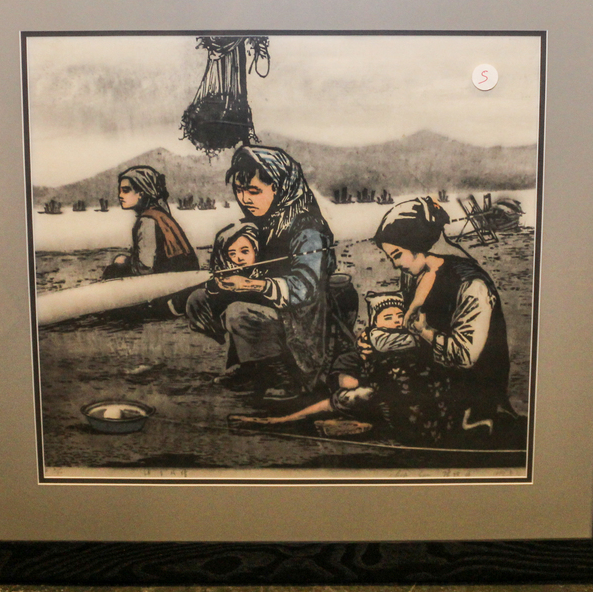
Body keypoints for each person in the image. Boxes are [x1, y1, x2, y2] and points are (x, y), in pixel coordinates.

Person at [186, 146, 336, 402]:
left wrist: (252, 285)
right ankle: (251, 366)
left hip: (302, 315)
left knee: (240, 313)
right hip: (269, 303)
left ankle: (285, 376)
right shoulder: (261, 221)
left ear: (280, 187)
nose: (244, 199)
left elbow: (305, 287)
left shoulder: (307, 226)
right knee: (199, 300)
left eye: (254, 191)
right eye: (239, 190)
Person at [368, 197, 517, 444]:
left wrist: (425, 332)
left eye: (397, 255)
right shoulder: (415, 276)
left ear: (417, 244)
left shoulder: (471, 285)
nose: (395, 264)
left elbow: (465, 356)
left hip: (470, 393)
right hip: (435, 377)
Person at [228, 290, 427, 431]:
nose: (395, 321)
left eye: (399, 316)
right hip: (373, 393)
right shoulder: (371, 341)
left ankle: (360, 423)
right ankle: (280, 421)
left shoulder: (406, 339)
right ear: (375, 321)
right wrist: (347, 376)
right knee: (347, 397)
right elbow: (348, 369)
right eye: (388, 317)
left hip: (402, 395)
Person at [102, 166, 199, 314]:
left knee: (115, 268)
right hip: (184, 281)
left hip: (171, 289)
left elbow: (145, 268)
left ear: (141, 193)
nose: (120, 195)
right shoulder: (159, 214)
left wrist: (124, 262)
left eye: (126, 190)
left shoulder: (147, 220)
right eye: (120, 190)